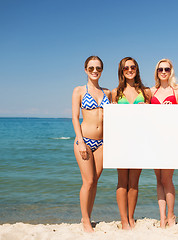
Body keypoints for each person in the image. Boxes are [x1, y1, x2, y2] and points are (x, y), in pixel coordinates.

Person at [72, 56, 111, 232]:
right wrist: (80, 141)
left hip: (102, 142)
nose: (95, 71)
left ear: (102, 70)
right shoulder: (79, 91)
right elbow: (74, 117)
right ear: (85, 70)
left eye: (98, 68)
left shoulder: (107, 93)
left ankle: (87, 214)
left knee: (95, 181)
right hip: (84, 140)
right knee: (87, 181)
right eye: (91, 68)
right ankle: (86, 220)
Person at [111, 57, 151, 229]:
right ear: (121, 70)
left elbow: (153, 117)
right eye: (125, 67)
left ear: (137, 69)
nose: (129, 70)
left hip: (139, 140)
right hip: (120, 140)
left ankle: (131, 217)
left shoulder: (145, 91)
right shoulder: (115, 92)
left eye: (132, 67)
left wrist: (146, 107)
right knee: (122, 181)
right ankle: (123, 219)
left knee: (134, 182)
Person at [150, 59, 178, 228]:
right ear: (156, 72)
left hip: (171, 139)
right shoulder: (151, 91)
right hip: (155, 139)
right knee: (158, 179)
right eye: (160, 69)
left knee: (167, 179)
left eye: (166, 69)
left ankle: (171, 214)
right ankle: (162, 217)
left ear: (171, 70)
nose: (163, 71)